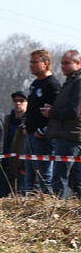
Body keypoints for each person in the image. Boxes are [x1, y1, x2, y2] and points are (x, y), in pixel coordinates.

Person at [42, 50, 81, 199]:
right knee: (74, 179)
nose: (63, 66)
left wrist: (52, 113)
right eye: (62, 63)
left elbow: (74, 111)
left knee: (60, 177)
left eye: (67, 63)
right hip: (68, 135)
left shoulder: (78, 82)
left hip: (69, 136)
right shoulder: (71, 81)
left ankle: (57, 210)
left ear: (78, 64)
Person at [25, 49, 61, 194]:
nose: (31, 65)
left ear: (45, 63)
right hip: (29, 135)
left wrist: (43, 131)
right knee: (30, 176)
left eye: (35, 62)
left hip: (42, 138)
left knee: (44, 176)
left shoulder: (52, 85)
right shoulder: (34, 83)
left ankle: (47, 205)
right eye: (30, 62)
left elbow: (56, 113)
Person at [0, 91, 28, 196]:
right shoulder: (7, 119)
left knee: (19, 200)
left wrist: (25, 166)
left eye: (21, 101)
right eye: (15, 101)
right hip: (5, 165)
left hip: (21, 168)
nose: (18, 103)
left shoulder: (30, 122)